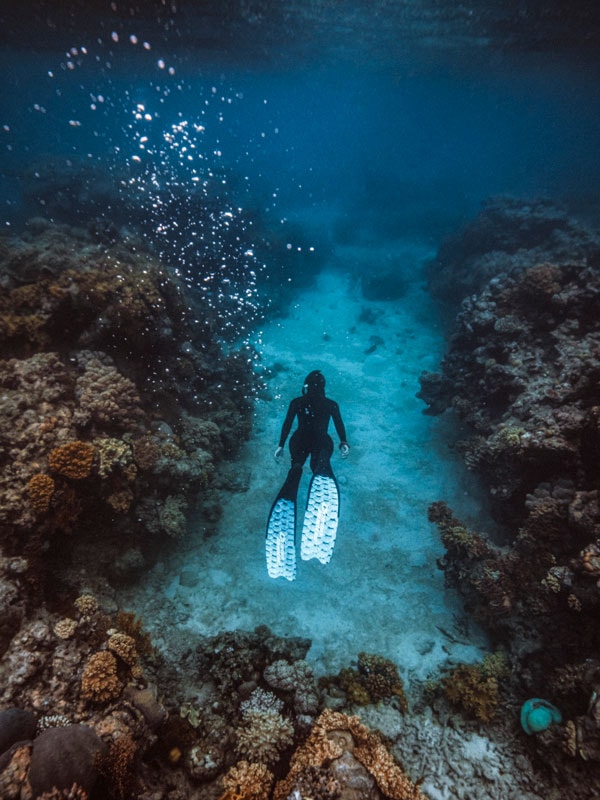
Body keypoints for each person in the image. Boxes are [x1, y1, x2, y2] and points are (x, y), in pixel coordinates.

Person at [265, 370, 350, 581]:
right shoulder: (331, 404)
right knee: (320, 461)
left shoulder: (297, 401)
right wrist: (343, 442)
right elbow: (339, 424)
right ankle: (322, 466)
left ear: (305, 386)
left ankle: (294, 476)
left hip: (299, 440)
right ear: (323, 387)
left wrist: (281, 445)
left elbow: (287, 424)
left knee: (296, 467)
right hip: (321, 441)